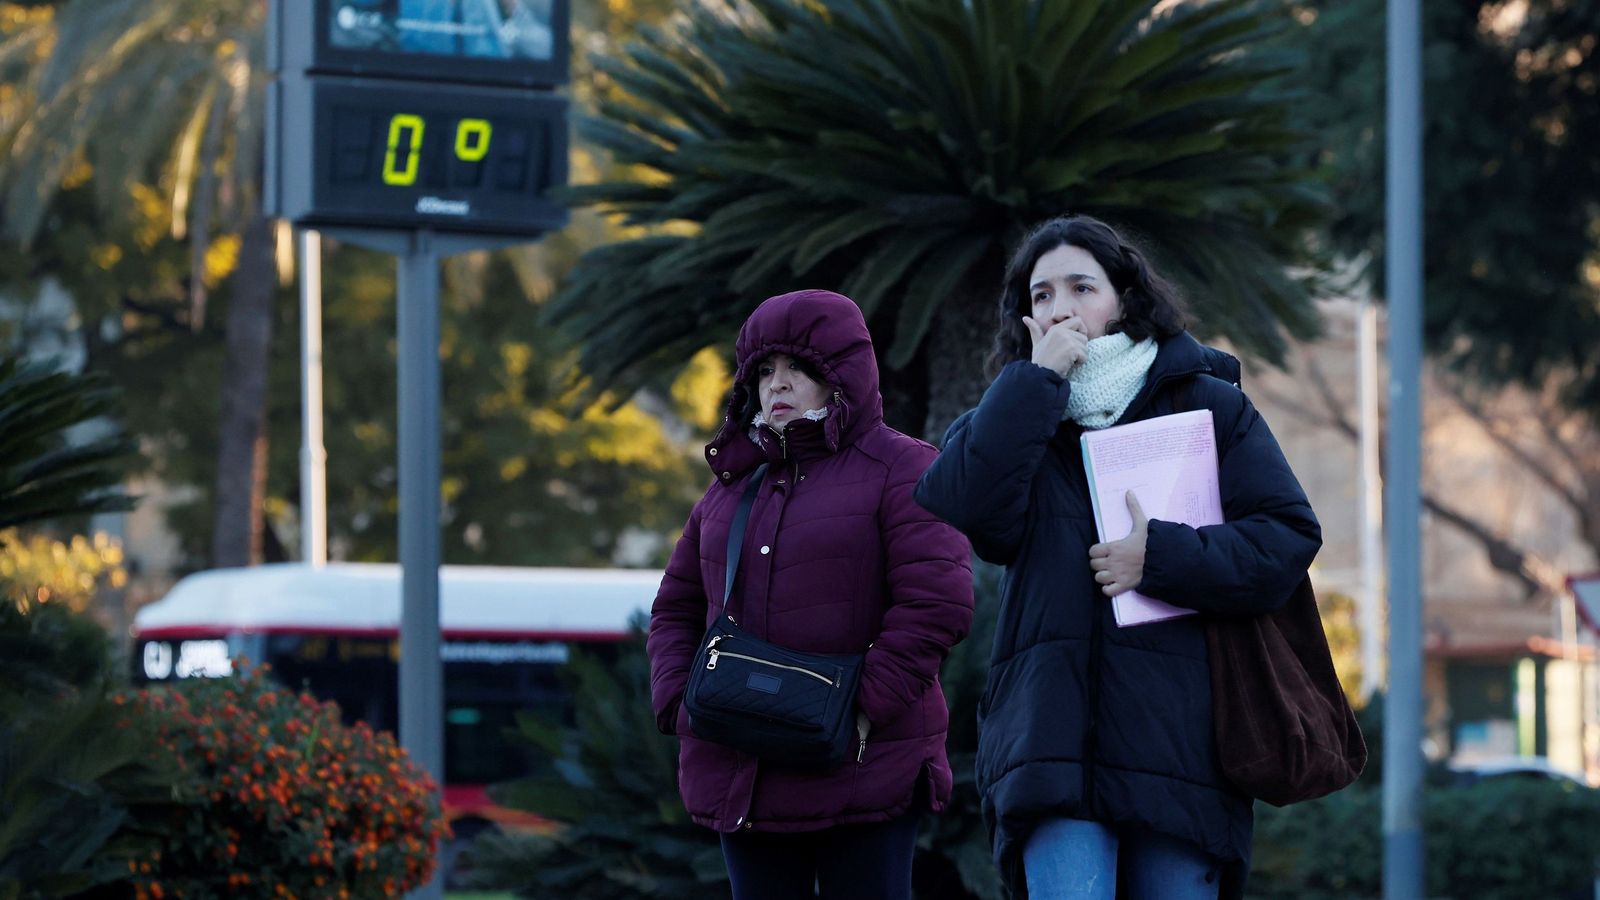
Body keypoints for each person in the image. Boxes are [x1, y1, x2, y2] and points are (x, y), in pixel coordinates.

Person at [913, 216, 1322, 900]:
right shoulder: (1014, 416)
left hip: (1181, 752)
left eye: (1081, 287)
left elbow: (1285, 538)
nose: (1061, 307)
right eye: (1041, 295)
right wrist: (1036, 384)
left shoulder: (1207, 403)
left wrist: (1158, 557)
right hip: (1051, 747)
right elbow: (967, 506)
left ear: (1126, 298)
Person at [647, 289, 975, 900]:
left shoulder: (903, 468)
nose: (779, 384)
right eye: (766, 371)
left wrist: (862, 708)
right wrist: (678, 703)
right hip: (743, 768)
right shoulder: (728, 488)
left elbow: (937, 603)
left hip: (864, 766)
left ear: (841, 376)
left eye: (800, 368)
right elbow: (675, 608)